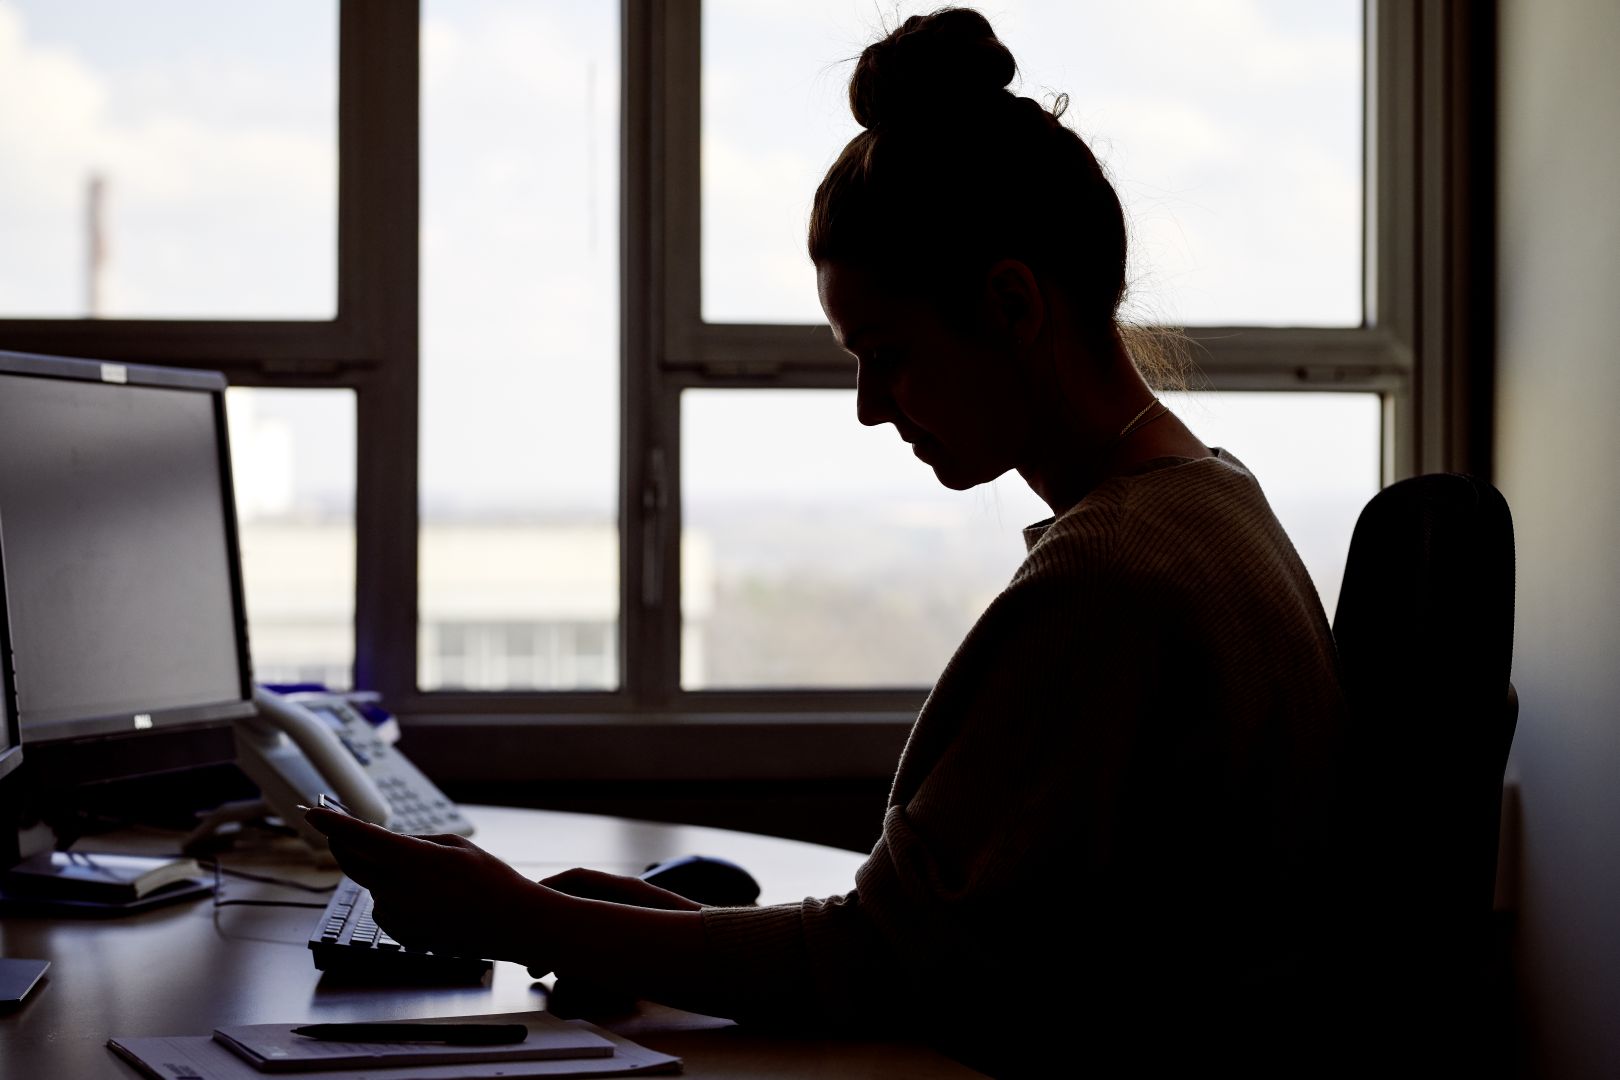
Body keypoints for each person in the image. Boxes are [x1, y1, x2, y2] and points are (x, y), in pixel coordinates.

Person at [307, 8, 1352, 1076]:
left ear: (1010, 303)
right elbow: (952, 932)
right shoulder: (1213, 505)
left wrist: (526, 922)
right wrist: (651, 926)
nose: (869, 406)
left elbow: (881, 965)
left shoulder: (1108, 578)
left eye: (887, 354)